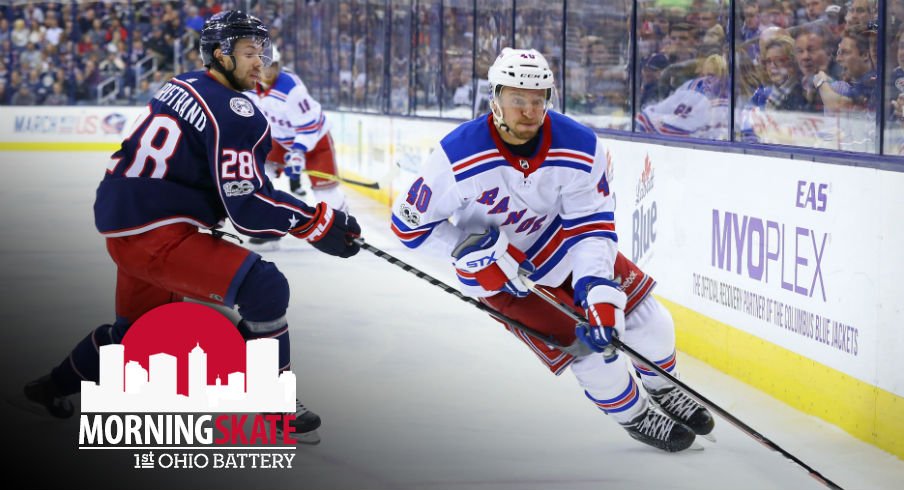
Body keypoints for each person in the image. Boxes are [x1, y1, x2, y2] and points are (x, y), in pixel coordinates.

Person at [20, 10, 362, 443]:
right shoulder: (238, 109)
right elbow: (248, 206)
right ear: (220, 54)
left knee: (133, 334)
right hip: (158, 232)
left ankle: (47, 389)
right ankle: (276, 403)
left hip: (124, 222)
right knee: (264, 287)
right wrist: (317, 223)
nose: (260, 62)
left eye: (263, 52)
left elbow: (203, 169)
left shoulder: (181, 82)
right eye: (249, 53)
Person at [390, 47, 714, 452]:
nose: (529, 110)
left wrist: (596, 287)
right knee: (589, 354)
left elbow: (591, 225)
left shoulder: (579, 144)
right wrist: (470, 256)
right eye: (517, 99)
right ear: (496, 100)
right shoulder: (457, 154)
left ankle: (662, 386)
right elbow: (408, 227)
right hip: (502, 276)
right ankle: (635, 415)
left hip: (561, 245)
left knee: (650, 321)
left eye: (538, 99)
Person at [244, 43, 349, 249]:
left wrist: (298, 153)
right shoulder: (248, 86)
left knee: (326, 193)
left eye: (273, 65)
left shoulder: (292, 89)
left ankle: (344, 230)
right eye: (264, 65)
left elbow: (310, 125)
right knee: (261, 180)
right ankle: (269, 229)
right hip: (280, 141)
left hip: (315, 141)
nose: (268, 71)